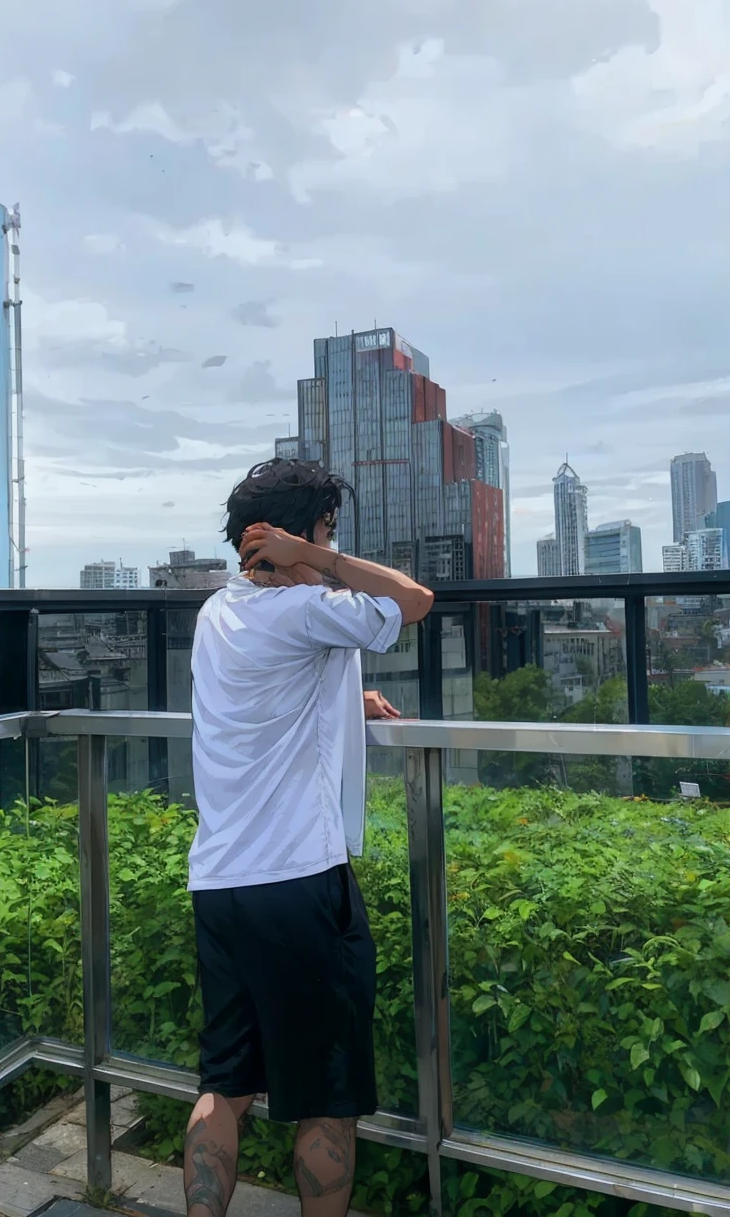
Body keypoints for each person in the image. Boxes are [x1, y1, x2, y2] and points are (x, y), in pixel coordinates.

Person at [184, 459, 434, 1217]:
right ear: (294, 537)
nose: (332, 548)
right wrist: (316, 561)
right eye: (327, 532)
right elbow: (414, 601)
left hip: (220, 882)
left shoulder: (216, 613)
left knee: (225, 1084)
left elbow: (265, 697)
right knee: (327, 1099)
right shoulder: (305, 608)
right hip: (299, 884)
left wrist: (341, 694)